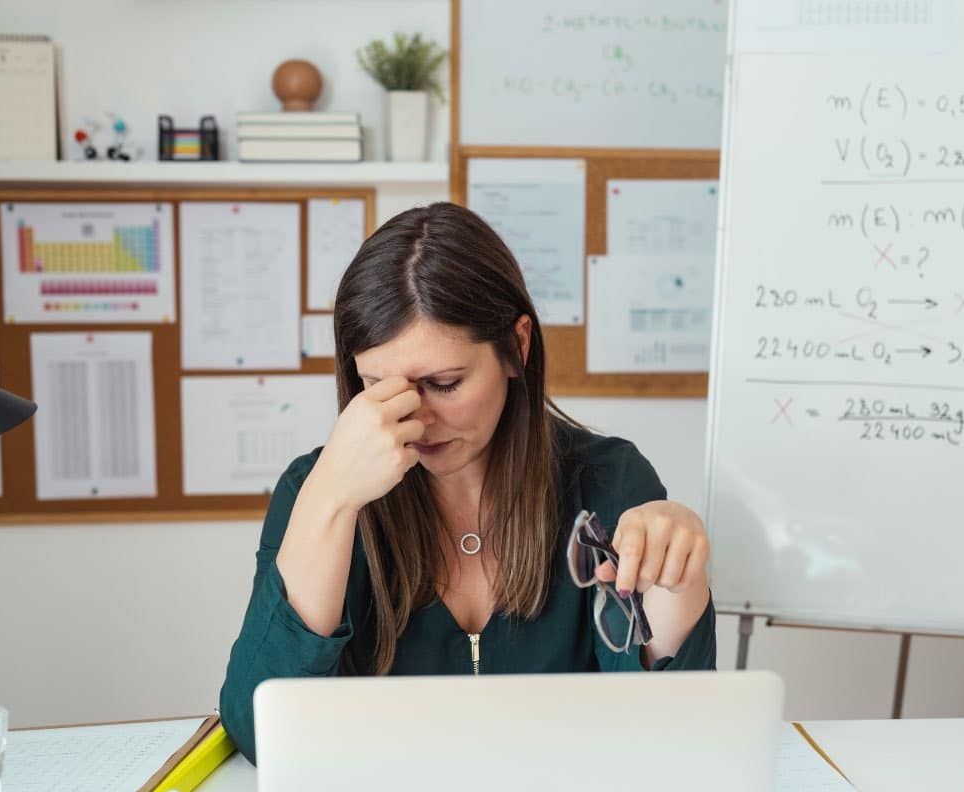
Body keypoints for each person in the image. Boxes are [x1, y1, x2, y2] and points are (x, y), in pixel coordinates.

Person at [219, 202, 716, 762]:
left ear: (517, 347)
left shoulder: (607, 481)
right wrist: (331, 500)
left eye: (444, 383)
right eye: (377, 387)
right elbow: (259, 733)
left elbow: (673, 731)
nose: (415, 419)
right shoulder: (313, 490)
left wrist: (677, 579)